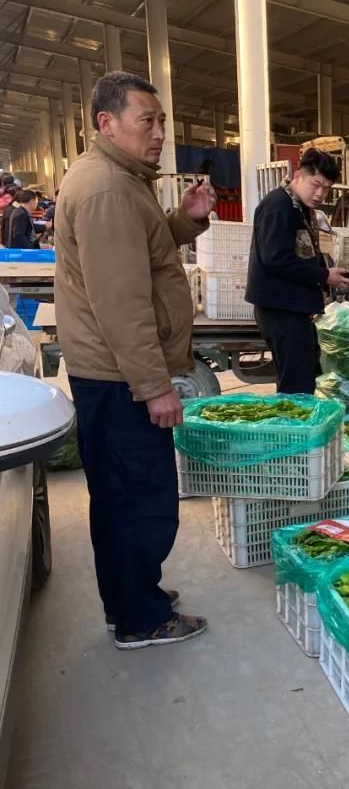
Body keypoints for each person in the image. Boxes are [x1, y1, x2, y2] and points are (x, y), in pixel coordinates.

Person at [54, 71, 216, 650]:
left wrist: (184, 222)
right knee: (140, 499)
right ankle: (141, 619)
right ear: (107, 122)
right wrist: (156, 387)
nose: (159, 134)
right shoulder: (108, 190)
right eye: (147, 121)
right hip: (120, 378)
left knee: (121, 496)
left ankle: (129, 598)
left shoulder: (121, 181)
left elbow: (138, 258)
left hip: (112, 375)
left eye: (162, 121)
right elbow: (121, 303)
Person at [246, 148, 349, 394]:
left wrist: (322, 285)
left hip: (293, 308)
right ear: (297, 176)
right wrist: (325, 276)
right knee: (296, 386)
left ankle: (297, 428)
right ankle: (292, 431)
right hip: (280, 310)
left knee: (302, 377)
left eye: (327, 189)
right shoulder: (278, 206)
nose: (320, 194)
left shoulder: (299, 206)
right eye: (316, 184)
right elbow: (276, 259)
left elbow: (303, 255)